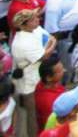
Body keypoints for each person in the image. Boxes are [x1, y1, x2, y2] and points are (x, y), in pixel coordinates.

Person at [10, 8, 56, 137]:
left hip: (36, 76)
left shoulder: (35, 30)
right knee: (31, 116)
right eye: (33, 19)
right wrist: (52, 44)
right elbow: (44, 55)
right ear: (24, 24)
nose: (38, 20)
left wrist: (50, 43)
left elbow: (48, 37)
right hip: (28, 84)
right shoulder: (22, 42)